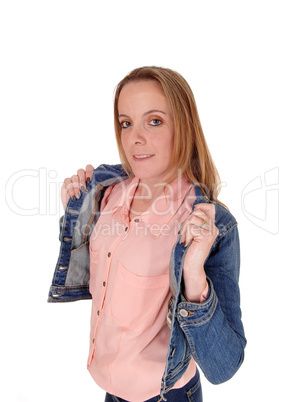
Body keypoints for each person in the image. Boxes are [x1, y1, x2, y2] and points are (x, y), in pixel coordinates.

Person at [48, 66, 246, 402]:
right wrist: (76, 210)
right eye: (127, 123)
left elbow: (224, 366)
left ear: (182, 128)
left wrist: (194, 274)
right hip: (111, 391)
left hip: (166, 396)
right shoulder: (105, 193)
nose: (134, 138)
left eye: (154, 121)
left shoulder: (210, 226)